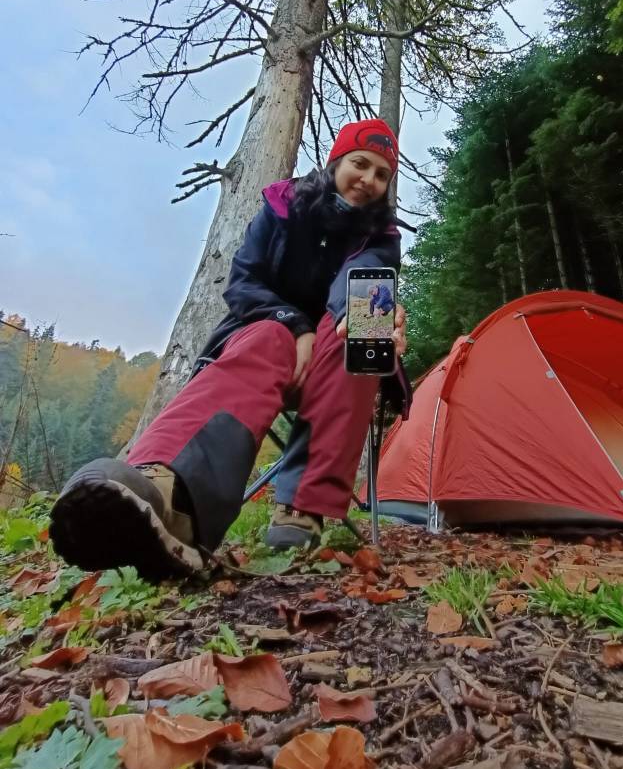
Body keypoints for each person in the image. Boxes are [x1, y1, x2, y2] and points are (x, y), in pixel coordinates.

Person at [49, 119, 410, 581]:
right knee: (268, 336)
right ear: (335, 160)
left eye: (382, 174)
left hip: (335, 370)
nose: (369, 180)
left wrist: (354, 316)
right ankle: (171, 494)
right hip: (263, 347)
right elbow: (244, 281)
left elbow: (360, 280)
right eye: (360, 164)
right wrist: (294, 324)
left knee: (364, 330)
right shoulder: (283, 206)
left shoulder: (382, 237)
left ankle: (303, 507)